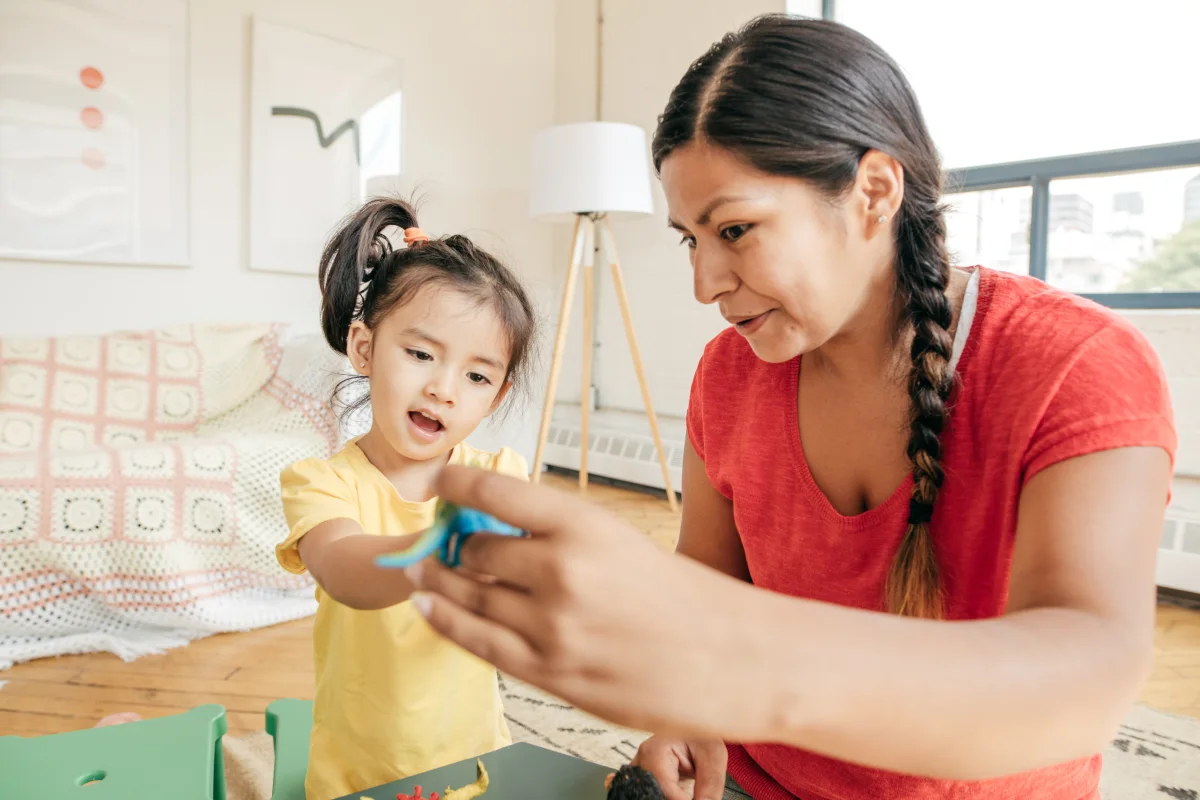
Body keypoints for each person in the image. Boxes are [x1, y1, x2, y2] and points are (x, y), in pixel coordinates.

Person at [400, 15, 1177, 800]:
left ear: (874, 191)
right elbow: (708, 583)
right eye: (690, 239)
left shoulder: (1077, 365)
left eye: (735, 229)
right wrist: (685, 715)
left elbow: (1087, 682)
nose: (705, 282)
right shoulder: (727, 376)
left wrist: (739, 665)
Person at [275, 197, 537, 800]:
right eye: (421, 355)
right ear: (364, 349)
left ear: (496, 396)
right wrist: (438, 550)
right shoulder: (322, 482)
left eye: (477, 376)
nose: (444, 389)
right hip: (355, 776)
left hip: (474, 767)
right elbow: (343, 568)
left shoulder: (499, 478)